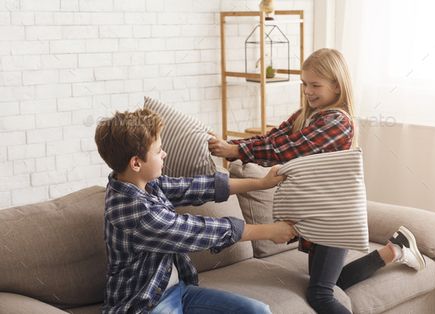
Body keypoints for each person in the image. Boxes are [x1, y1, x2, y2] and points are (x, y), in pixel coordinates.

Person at [208, 48, 426, 314]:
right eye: (304, 84)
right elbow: (274, 138)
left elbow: (290, 149)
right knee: (330, 283)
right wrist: (231, 145)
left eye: (315, 85)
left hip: (334, 215)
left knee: (320, 294)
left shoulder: (338, 122)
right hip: (316, 213)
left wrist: (236, 151)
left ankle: (396, 251)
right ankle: (395, 251)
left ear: (337, 86)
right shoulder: (307, 114)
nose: (308, 91)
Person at [94, 108, 297, 314]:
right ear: (136, 162)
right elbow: (197, 231)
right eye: (158, 151)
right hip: (144, 304)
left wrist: (262, 183)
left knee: (258, 311)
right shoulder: (130, 210)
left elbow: (197, 187)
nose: (164, 154)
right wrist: (270, 232)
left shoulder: (146, 184)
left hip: (179, 291)